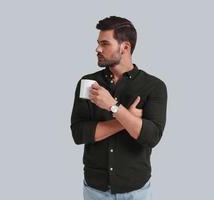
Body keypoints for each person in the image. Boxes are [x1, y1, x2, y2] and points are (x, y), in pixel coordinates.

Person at [70, 16, 167, 200]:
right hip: (95, 191)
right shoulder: (88, 84)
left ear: (125, 47)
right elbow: (79, 133)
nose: (97, 49)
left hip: (137, 191)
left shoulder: (154, 86)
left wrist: (113, 107)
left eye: (105, 43)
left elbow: (151, 137)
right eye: (98, 43)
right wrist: (127, 119)